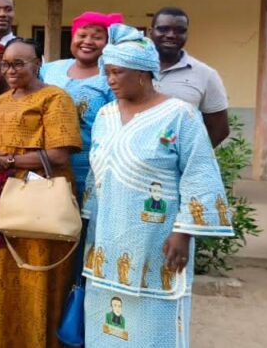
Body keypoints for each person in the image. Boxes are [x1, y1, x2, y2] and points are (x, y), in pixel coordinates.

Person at [82, 24, 234, 347]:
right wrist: (86, 223)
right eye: (106, 72)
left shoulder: (181, 115)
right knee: (106, 323)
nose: (109, 80)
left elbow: (199, 172)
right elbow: (96, 176)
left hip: (159, 239)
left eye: (116, 72)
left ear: (142, 73)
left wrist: (184, 231)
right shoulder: (106, 115)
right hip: (107, 239)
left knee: (153, 324)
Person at [0, 37, 82, 348]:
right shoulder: (3, 100)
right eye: (6, 64)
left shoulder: (55, 99)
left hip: (35, 200)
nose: (11, 70)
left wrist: (7, 161)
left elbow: (58, 156)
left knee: (31, 279)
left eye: (19, 63)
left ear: (38, 64)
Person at [41, 11, 121, 197]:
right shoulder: (50, 69)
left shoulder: (111, 77)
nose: (88, 41)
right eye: (82, 35)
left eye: (97, 37)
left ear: (108, 43)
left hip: (90, 171)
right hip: (44, 167)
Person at [149, 6, 230, 146]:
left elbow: (219, 129)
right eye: (163, 29)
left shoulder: (205, 75)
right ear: (151, 32)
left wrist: (191, 157)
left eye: (180, 30)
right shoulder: (132, 69)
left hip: (177, 166)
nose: (171, 35)